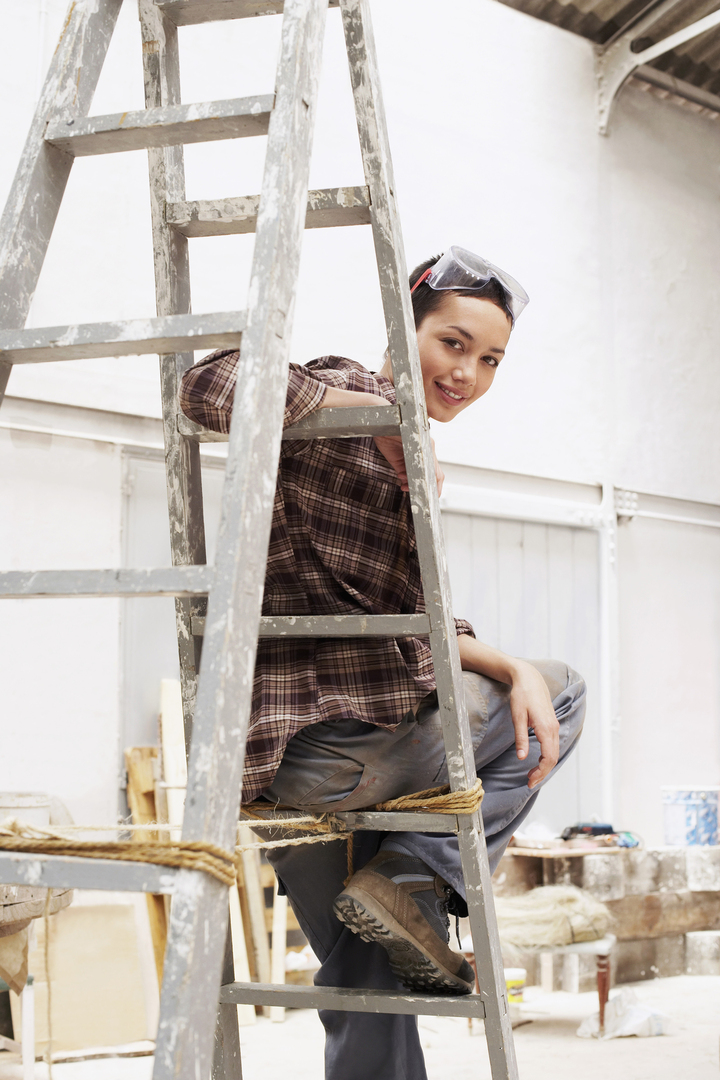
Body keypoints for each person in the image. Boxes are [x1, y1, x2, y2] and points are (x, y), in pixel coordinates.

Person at [180, 246, 586, 1080]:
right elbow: (207, 385)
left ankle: (402, 895)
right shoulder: (346, 398)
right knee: (570, 689)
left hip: (300, 763)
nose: (468, 373)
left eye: (490, 360)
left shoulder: (418, 466)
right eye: (453, 343)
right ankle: (415, 866)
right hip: (336, 747)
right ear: (404, 331)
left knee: (368, 970)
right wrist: (364, 406)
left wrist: (512, 667)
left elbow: (415, 627)